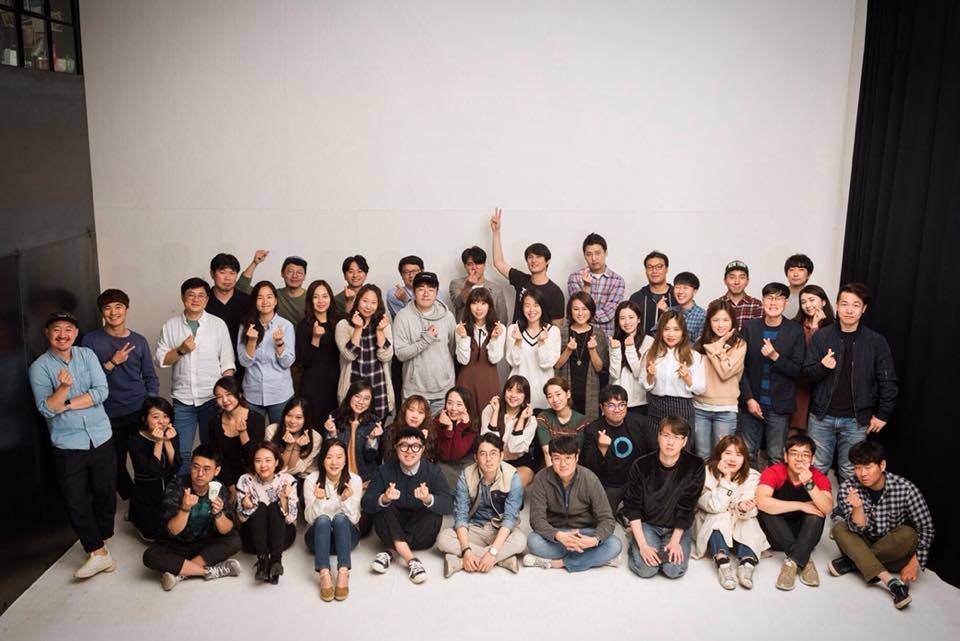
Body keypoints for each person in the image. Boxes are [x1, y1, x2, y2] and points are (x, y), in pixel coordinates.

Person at [29, 312, 118, 579]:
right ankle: (97, 551)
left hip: (101, 435)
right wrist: (62, 389)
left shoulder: (86, 355)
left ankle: (101, 538)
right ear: (47, 333)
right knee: (75, 500)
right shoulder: (39, 367)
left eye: (68, 329)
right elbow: (47, 409)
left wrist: (65, 404)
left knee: (105, 493)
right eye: (57, 329)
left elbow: (101, 392)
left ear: (76, 333)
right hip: (68, 444)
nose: (63, 334)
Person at [803, 283, 897, 482]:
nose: (849, 310)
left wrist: (883, 414)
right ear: (837, 306)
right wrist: (822, 366)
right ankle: (815, 504)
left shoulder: (875, 341)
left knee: (851, 471)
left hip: (856, 419)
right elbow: (807, 374)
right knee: (816, 468)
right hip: (821, 416)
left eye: (855, 305)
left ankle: (846, 504)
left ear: (863, 309)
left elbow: (888, 380)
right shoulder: (822, 336)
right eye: (844, 304)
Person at [829, 441, 934, 610]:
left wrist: (915, 562)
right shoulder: (848, 487)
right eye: (857, 468)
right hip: (861, 542)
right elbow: (857, 529)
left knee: (908, 534)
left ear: (882, 465)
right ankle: (892, 583)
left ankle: (853, 562)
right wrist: (858, 507)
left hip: (891, 551)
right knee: (839, 528)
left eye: (868, 467)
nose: (862, 474)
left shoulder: (905, 488)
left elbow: (926, 528)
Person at [81, 288, 159, 500]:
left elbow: (150, 376)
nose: (113, 312)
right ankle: (132, 499)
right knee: (114, 464)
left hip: (138, 410)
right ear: (102, 312)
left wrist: (150, 405)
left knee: (144, 461)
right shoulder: (90, 341)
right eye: (108, 308)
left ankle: (144, 502)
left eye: (118, 307)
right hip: (106, 413)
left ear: (126, 309)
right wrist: (113, 362)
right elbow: (85, 381)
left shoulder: (139, 341)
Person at [156, 278, 235, 473]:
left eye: (201, 295)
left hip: (212, 399)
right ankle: (183, 490)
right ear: (183, 298)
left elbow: (227, 363)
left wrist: (227, 397)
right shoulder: (171, 325)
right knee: (182, 452)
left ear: (207, 299)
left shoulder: (217, 324)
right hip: (183, 399)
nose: (196, 299)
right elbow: (161, 360)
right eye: (191, 295)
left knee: (213, 450)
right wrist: (181, 350)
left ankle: (213, 490)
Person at [141, 444, 243, 591]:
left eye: (206, 469)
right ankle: (208, 571)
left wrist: (218, 513)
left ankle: (181, 573)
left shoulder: (219, 489)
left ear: (217, 470)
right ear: (190, 466)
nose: (200, 474)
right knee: (150, 556)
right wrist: (184, 509)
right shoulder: (176, 486)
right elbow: (172, 531)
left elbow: (226, 530)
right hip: (176, 544)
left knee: (235, 541)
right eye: (196, 467)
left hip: (204, 543)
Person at [362, 428, 453, 584]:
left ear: (422, 449)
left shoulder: (433, 471)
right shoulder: (384, 470)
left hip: (420, 534)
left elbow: (448, 505)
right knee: (382, 505)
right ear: (396, 448)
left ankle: (391, 551)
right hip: (393, 524)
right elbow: (366, 503)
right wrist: (384, 498)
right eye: (404, 446)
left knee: (433, 510)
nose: (409, 451)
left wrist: (428, 499)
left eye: (415, 446)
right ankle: (411, 559)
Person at [523, 435, 622, 571]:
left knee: (614, 544)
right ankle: (595, 558)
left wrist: (594, 540)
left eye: (568, 458)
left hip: (584, 533)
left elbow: (607, 518)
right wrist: (558, 536)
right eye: (557, 458)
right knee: (533, 542)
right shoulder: (541, 478)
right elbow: (536, 519)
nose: (563, 464)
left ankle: (558, 563)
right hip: (557, 533)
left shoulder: (589, 478)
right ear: (551, 459)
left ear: (576, 457)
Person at [622, 416, 704, 579]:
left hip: (677, 527)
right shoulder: (641, 465)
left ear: (684, 441)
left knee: (673, 570)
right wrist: (643, 546)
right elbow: (633, 507)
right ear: (658, 436)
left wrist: (675, 541)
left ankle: (666, 546)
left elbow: (687, 506)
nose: (670, 442)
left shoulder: (695, 465)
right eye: (666, 435)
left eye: (676, 437)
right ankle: (635, 539)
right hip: (648, 524)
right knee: (646, 570)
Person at [437, 434, 528, 576]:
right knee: (443, 539)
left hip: (500, 529)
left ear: (501, 456)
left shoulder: (512, 476)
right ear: (476, 457)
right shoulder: (466, 475)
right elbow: (461, 516)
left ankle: (461, 563)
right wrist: (466, 551)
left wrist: (493, 552)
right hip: (475, 527)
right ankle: (503, 560)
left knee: (520, 540)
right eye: (483, 454)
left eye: (493, 453)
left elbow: (509, 519)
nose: (488, 459)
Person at [738, 282, 805, 468]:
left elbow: (798, 370)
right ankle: (752, 488)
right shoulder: (750, 328)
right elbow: (740, 368)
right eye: (769, 298)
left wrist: (775, 356)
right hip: (752, 404)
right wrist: (749, 399)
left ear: (785, 302)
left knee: (776, 455)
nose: (773, 302)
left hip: (779, 406)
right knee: (748, 454)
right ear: (762, 301)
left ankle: (771, 487)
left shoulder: (795, 330)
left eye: (778, 298)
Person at [756, 435, 833, 590]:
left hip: (805, 535)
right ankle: (804, 559)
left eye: (805, 455)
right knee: (766, 510)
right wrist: (800, 505)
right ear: (785, 456)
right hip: (775, 536)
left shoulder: (818, 477)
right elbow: (761, 501)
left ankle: (791, 562)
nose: (799, 459)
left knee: (817, 512)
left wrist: (809, 483)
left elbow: (827, 508)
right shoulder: (774, 471)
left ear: (812, 459)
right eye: (794, 453)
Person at [692, 435, 768, 590]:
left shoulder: (752, 476)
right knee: (719, 516)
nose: (733, 459)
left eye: (738, 454)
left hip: (738, 520)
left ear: (744, 458)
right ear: (719, 454)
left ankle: (747, 563)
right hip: (710, 519)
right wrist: (726, 480)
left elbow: (751, 508)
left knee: (748, 521)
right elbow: (714, 506)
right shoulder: (706, 473)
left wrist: (743, 507)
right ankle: (723, 563)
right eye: (728, 453)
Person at [303, 438, 362, 601]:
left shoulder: (354, 480)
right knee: (322, 520)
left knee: (340, 519)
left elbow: (355, 519)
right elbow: (309, 518)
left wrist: (345, 501)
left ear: (345, 460)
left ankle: (343, 571)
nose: (334, 462)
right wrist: (319, 501)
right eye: (329, 457)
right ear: (322, 459)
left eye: (339, 457)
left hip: (346, 539)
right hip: (318, 540)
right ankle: (324, 573)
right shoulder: (312, 479)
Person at [580, 385, 653, 514]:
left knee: (651, 510)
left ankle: (626, 511)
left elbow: (653, 453)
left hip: (637, 479)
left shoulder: (640, 423)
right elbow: (590, 468)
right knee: (601, 515)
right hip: (611, 483)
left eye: (621, 405)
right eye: (611, 405)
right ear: (602, 407)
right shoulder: (592, 430)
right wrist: (602, 448)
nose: (617, 410)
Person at [393, 271, 457, 416]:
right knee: (412, 430)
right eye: (421, 289)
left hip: (444, 390)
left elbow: (452, 349)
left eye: (431, 289)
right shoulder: (402, 317)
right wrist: (425, 340)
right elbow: (400, 354)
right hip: (414, 392)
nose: (426, 293)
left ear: (437, 292)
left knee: (443, 430)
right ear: (413, 291)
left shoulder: (448, 317)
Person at [236, 441, 299, 584]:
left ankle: (276, 561)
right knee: (261, 507)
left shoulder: (287, 480)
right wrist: (247, 507)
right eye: (258, 461)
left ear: (276, 462)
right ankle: (263, 560)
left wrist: (283, 499)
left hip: (281, 537)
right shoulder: (246, 480)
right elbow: (242, 518)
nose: (263, 465)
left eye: (268, 460)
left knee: (273, 507)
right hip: (253, 539)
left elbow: (290, 519)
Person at [489, 208, 565, 325]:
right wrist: (496, 232)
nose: (534, 260)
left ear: (547, 261)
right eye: (530, 257)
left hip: (540, 336)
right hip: (516, 334)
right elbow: (499, 263)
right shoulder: (521, 279)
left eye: (538, 257)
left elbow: (556, 327)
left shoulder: (555, 292)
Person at [692, 300, 746, 460]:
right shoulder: (701, 343)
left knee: (721, 457)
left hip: (725, 409)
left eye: (725, 320)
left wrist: (716, 348)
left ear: (732, 322)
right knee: (702, 455)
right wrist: (715, 347)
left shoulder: (739, 344)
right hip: (700, 407)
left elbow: (725, 372)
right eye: (715, 320)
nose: (720, 325)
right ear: (709, 321)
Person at [237, 280, 296, 423]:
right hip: (252, 394)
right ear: (254, 302)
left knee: (280, 435)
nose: (265, 302)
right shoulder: (246, 326)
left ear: (275, 300)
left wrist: (279, 343)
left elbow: (287, 363)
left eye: (269, 297)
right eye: (260, 297)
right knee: (253, 435)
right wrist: (252, 341)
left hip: (280, 394)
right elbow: (244, 362)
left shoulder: (286, 325)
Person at [334, 283, 394, 420]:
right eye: (365, 301)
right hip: (353, 388)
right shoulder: (343, 325)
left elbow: (386, 357)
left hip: (378, 387)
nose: (368, 306)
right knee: (351, 427)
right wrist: (358, 329)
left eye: (373, 302)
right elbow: (349, 355)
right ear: (358, 301)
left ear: (378, 305)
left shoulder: (383, 325)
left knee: (377, 429)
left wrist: (380, 331)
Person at [643, 311, 706, 439]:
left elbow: (701, 389)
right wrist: (650, 375)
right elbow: (644, 384)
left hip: (682, 408)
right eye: (666, 329)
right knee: (654, 446)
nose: (671, 334)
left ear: (683, 332)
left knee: (681, 448)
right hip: (656, 407)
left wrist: (687, 378)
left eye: (676, 329)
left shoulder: (694, 356)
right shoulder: (651, 354)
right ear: (660, 331)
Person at [128, 397, 182, 541]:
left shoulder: (172, 433)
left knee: (177, 530)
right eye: (155, 417)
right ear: (144, 419)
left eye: (165, 416)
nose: (162, 422)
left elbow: (175, 467)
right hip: (146, 494)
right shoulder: (135, 440)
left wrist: (167, 441)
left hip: (169, 491)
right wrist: (158, 443)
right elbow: (152, 471)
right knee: (154, 536)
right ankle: (135, 516)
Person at [207, 376, 267, 503]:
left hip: (252, 476)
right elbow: (218, 458)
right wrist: (231, 486)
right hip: (225, 477)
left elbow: (254, 458)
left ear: (239, 394)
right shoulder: (214, 423)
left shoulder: (257, 419)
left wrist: (243, 433)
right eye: (219, 397)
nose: (224, 400)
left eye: (228, 394)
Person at [555, 292, 608, 420]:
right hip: (566, 388)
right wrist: (568, 350)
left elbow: (600, 368)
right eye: (576, 309)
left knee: (589, 426)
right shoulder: (561, 332)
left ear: (591, 311)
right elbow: (556, 365)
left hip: (590, 391)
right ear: (570, 310)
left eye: (584, 309)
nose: (580, 313)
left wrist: (592, 350)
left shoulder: (598, 333)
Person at [505, 289, 561, 410]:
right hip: (517, 393)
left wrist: (541, 343)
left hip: (543, 393)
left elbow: (547, 364)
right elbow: (513, 362)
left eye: (536, 305)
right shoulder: (514, 329)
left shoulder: (553, 331)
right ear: (522, 308)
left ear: (542, 307)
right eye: (527, 305)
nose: (531, 310)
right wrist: (518, 342)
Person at [455, 287, 506, 420]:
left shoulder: (499, 328)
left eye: (483, 303)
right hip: (466, 381)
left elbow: (494, 359)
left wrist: (494, 339)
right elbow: (463, 360)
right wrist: (464, 337)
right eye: (474, 303)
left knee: (490, 420)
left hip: (489, 381)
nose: (479, 308)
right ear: (469, 306)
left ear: (489, 306)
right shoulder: (460, 328)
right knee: (465, 421)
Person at [790, 284, 834, 434]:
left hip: (821, 387)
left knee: (814, 436)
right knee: (793, 433)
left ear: (823, 302)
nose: (808, 305)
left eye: (812, 300)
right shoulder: (794, 325)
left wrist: (815, 327)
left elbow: (822, 355)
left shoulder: (834, 326)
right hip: (799, 386)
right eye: (803, 302)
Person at [296, 280, 342, 421]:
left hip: (337, 382)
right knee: (313, 424)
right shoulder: (304, 325)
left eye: (324, 296)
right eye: (316, 297)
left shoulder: (339, 322)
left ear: (330, 298)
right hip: (313, 385)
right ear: (310, 300)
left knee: (334, 424)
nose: (321, 301)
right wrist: (315, 338)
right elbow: (305, 361)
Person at [480, 376, 539, 486]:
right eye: (510, 390)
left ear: (525, 396)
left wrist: (521, 419)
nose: (513, 395)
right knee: (493, 482)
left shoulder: (531, 420)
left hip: (520, 462)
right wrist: (495, 413)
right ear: (504, 391)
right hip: (493, 460)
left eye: (519, 392)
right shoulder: (490, 409)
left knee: (515, 483)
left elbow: (514, 448)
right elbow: (489, 445)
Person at [322, 381, 383, 483]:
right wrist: (332, 434)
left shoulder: (374, 423)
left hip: (364, 479)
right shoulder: (335, 418)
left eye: (366, 398)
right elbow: (328, 453)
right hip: (338, 477)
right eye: (357, 396)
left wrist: (372, 439)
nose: (361, 402)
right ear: (350, 396)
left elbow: (370, 458)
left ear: (371, 402)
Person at [566, 233, 625, 337]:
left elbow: (608, 314)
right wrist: (586, 287)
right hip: (578, 337)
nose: (593, 258)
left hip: (606, 338)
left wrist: (583, 314)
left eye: (598, 253)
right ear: (584, 256)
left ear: (606, 253)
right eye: (589, 254)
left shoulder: (617, 281)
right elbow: (577, 309)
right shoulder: (575, 278)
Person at [205, 253, 251, 376]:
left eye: (232, 273)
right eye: (222, 272)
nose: (227, 278)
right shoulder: (203, 301)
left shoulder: (247, 302)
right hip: (210, 367)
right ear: (212, 274)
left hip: (243, 368)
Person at [609, 301, 655, 417]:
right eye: (622, 318)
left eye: (631, 317)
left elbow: (639, 373)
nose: (627, 322)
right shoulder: (614, 341)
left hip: (639, 402)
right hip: (617, 401)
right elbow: (614, 374)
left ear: (638, 319)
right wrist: (616, 350)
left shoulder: (648, 341)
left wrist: (630, 348)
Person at [265, 397, 323, 490]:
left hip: (303, 478)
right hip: (274, 475)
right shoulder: (272, 430)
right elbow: (279, 468)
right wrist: (290, 446)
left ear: (306, 419)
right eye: (289, 415)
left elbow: (294, 470)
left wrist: (297, 447)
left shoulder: (316, 438)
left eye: (298, 417)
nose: (292, 421)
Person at [448, 245, 512, 325]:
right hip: (464, 331)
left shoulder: (496, 289)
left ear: (484, 265)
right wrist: (468, 286)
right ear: (465, 266)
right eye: (470, 264)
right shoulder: (456, 284)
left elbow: (502, 318)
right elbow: (458, 303)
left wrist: (497, 332)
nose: (474, 267)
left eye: (478, 263)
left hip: (491, 332)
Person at [238, 251, 308, 323]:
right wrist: (255, 263)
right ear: (282, 273)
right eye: (290, 272)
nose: (294, 276)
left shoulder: (311, 297)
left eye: (299, 273)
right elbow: (242, 287)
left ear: (304, 276)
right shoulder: (272, 295)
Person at [431, 386, 479, 488]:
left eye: (459, 404)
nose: (453, 408)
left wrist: (459, 428)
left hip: (464, 463)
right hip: (442, 463)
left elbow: (456, 454)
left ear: (467, 407)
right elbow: (445, 456)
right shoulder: (438, 421)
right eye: (449, 403)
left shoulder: (472, 424)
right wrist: (449, 428)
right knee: (443, 471)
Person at [536, 377, 588, 465]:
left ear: (568, 394)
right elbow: (547, 452)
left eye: (558, 394)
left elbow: (576, 454)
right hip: (549, 464)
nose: (555, 400)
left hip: (572, 465)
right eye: (550, 396)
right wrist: (552, 473)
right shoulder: (543, 417)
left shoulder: (582, 421)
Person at [628, 251, 676, 335]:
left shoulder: (677, 296)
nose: (654, 271)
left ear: (666, 269)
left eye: (659, 267)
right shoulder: (636, 298)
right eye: (650, 267)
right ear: (646, 271)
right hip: (641, 343)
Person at [382, 394, 433, 461]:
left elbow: (427, 463)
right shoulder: (391, 431)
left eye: (420, 412)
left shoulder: (428, 433)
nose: (415, 416)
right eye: (411, 410)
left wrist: (423, 442)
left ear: (425, 417)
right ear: (404, 411)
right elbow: (389, 459)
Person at [713, 260, 762, 328]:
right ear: (725, 281)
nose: (737, 282)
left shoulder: (757, 305)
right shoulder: (714, 305)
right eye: (732, 277)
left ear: (747, 281)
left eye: (742, 277)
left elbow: (758, 332)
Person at [670, 272, 706, 342]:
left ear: (694, 291)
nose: (680, 291)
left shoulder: (702, 316)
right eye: (677, 287)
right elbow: (656, 336)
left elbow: (699, 344)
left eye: (685, 288)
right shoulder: (669, 311)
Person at [783, 254, 814, 319]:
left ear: (809, 275)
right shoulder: (778, 295)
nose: (795, 274)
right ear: (786, 274)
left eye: (801, 270)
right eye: (791, 270)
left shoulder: (814, 297)